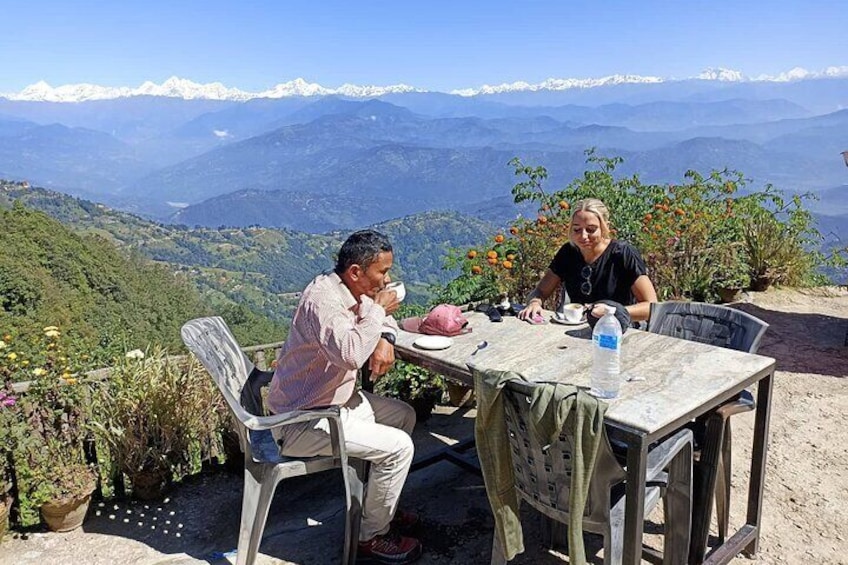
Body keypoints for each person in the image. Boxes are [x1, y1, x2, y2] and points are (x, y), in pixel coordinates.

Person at [267, 229, 422, 564]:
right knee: (399, 448)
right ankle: (372, 537)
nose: (387, 279)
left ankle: (379, 507)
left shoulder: (353, 290)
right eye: (382, 271)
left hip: (337, 403)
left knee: (404, 416)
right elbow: (351, 354)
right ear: (356, 271)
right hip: (301, 421)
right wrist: (379, 316)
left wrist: (386, 339)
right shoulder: (324, 301)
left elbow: (384, 319)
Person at [518, 198, 658, 324]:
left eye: (591, 229)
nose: (583, 236)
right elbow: (541, 291)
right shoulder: (568, 253)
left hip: (617, 330)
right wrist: (535, 303)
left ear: (604, 227)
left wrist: (612, 312)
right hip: (575, 331)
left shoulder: (623, 254)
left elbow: (651, 307)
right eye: (577, 230)